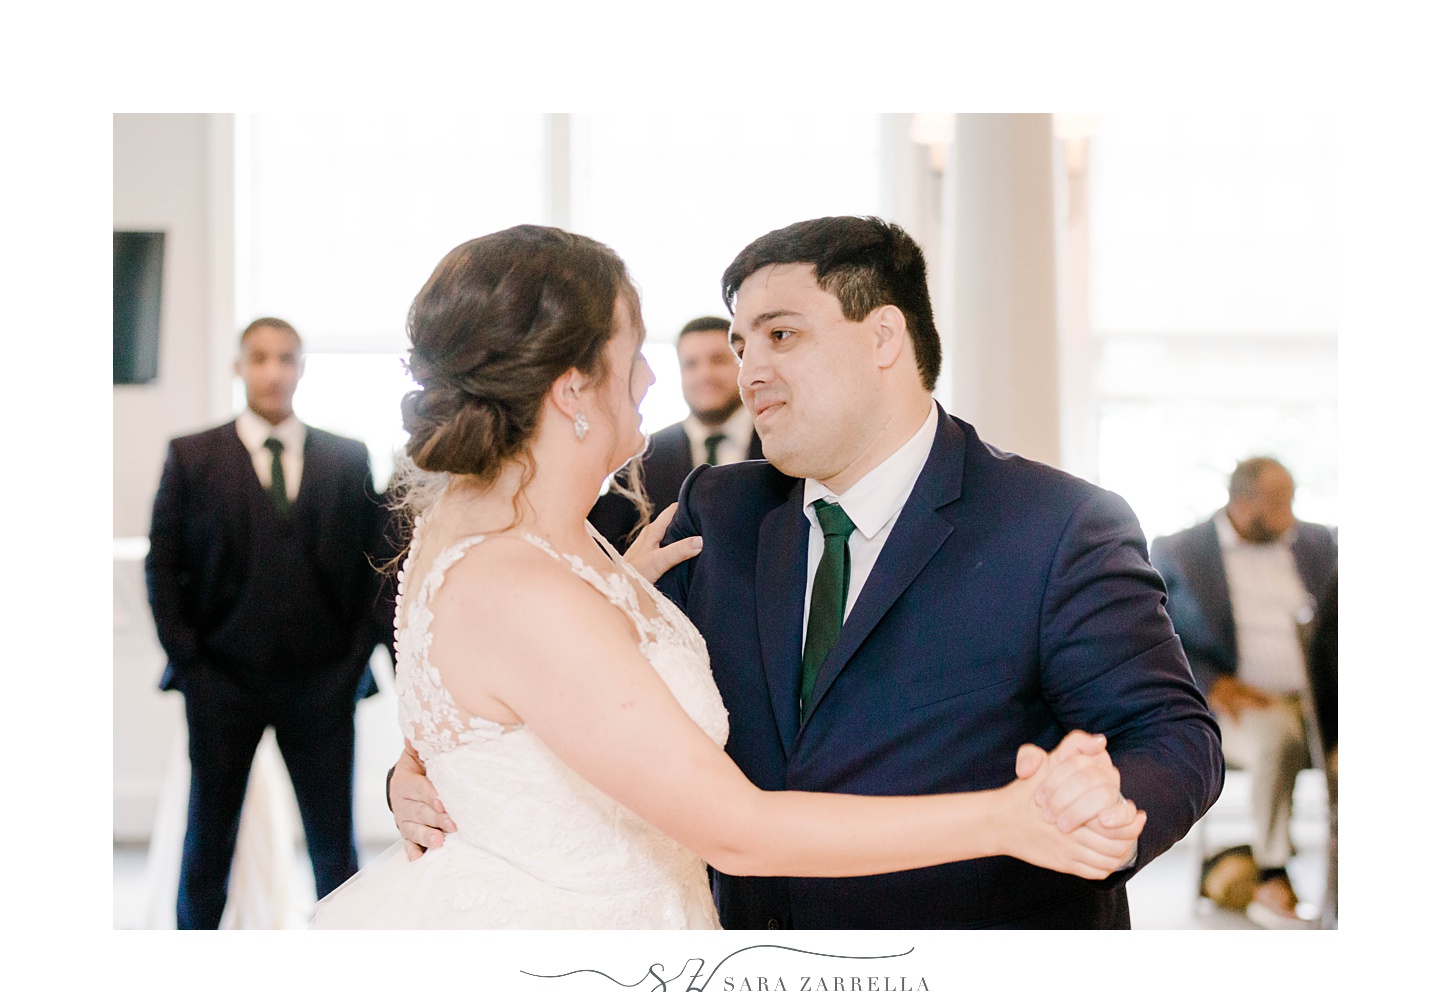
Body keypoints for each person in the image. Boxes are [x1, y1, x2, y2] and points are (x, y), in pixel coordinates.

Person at [389, 217, 1223, 929]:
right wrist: (420, 772)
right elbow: (543, 686)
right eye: (740, 342)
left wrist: (1098, 814)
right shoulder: (718, 508)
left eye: (781, 335)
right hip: (737, 961)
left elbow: (1175, 736)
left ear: (884, 338)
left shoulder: (1057, 524)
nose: (747, 371)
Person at [145, 317, 390, 929]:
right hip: (221, 687)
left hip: (323, 688)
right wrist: (196, 671)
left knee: (335, 849)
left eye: (286, 358)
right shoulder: (192, 456)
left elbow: (374, 574)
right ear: (239, 366)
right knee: (207, 849)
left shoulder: (347, 457)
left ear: (302, 368)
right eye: (260, 358)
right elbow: (163, 568)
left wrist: (351, 667)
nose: (273, 371)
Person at [1150, 457, 1336, 929]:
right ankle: (1274, 875)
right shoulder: (1181, 550)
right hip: (1241, 704)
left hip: (1321, 698)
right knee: (1279, 743)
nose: (1290, 516)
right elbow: (1153, 630)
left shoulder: (1316, 542)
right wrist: (1210, 683)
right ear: (1244, 502)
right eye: (1280, 503)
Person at [587, 316, 763, 551]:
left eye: (718, 360)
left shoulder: (779, 443)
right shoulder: (642, 456)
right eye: (690, 364)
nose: (705, 374)